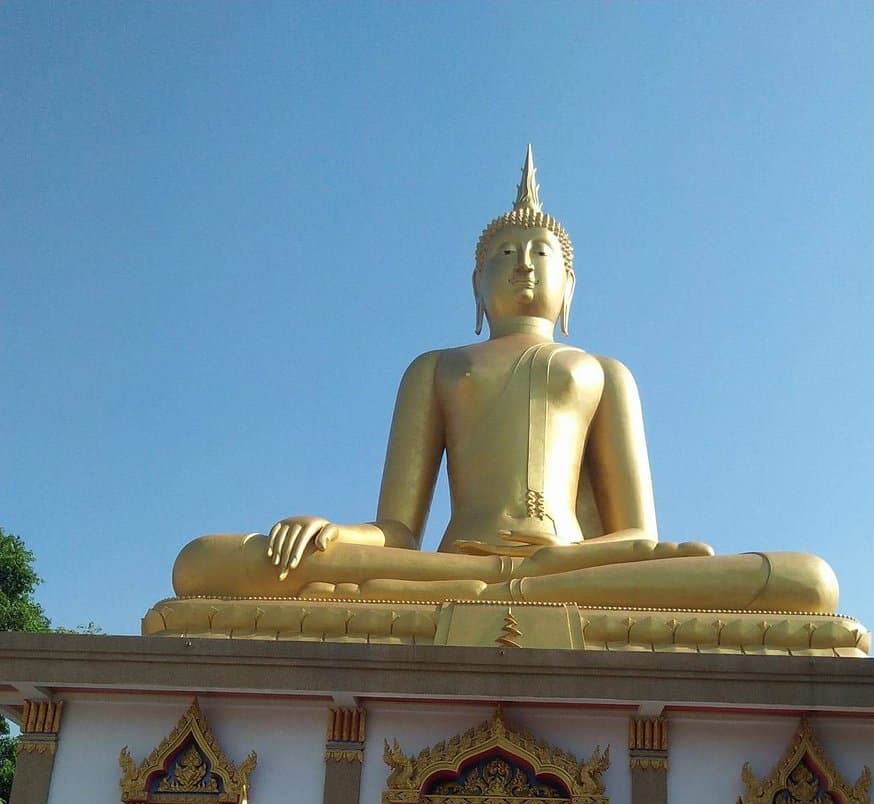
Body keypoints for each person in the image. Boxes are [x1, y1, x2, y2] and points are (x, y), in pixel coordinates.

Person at [171, 148, 839, 616]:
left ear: (568, 285)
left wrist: (554, 564)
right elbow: (399, 532)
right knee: (202, 563)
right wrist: (335, 534)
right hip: (449, 567)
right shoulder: (434, 367)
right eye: (503, 255)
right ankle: (504, 586)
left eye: (539, 253)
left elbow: (638, 538)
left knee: (807, 581)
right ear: (476, 284)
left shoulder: (604, 373)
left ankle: (512, 586)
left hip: (569, 567)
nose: (522, 264)